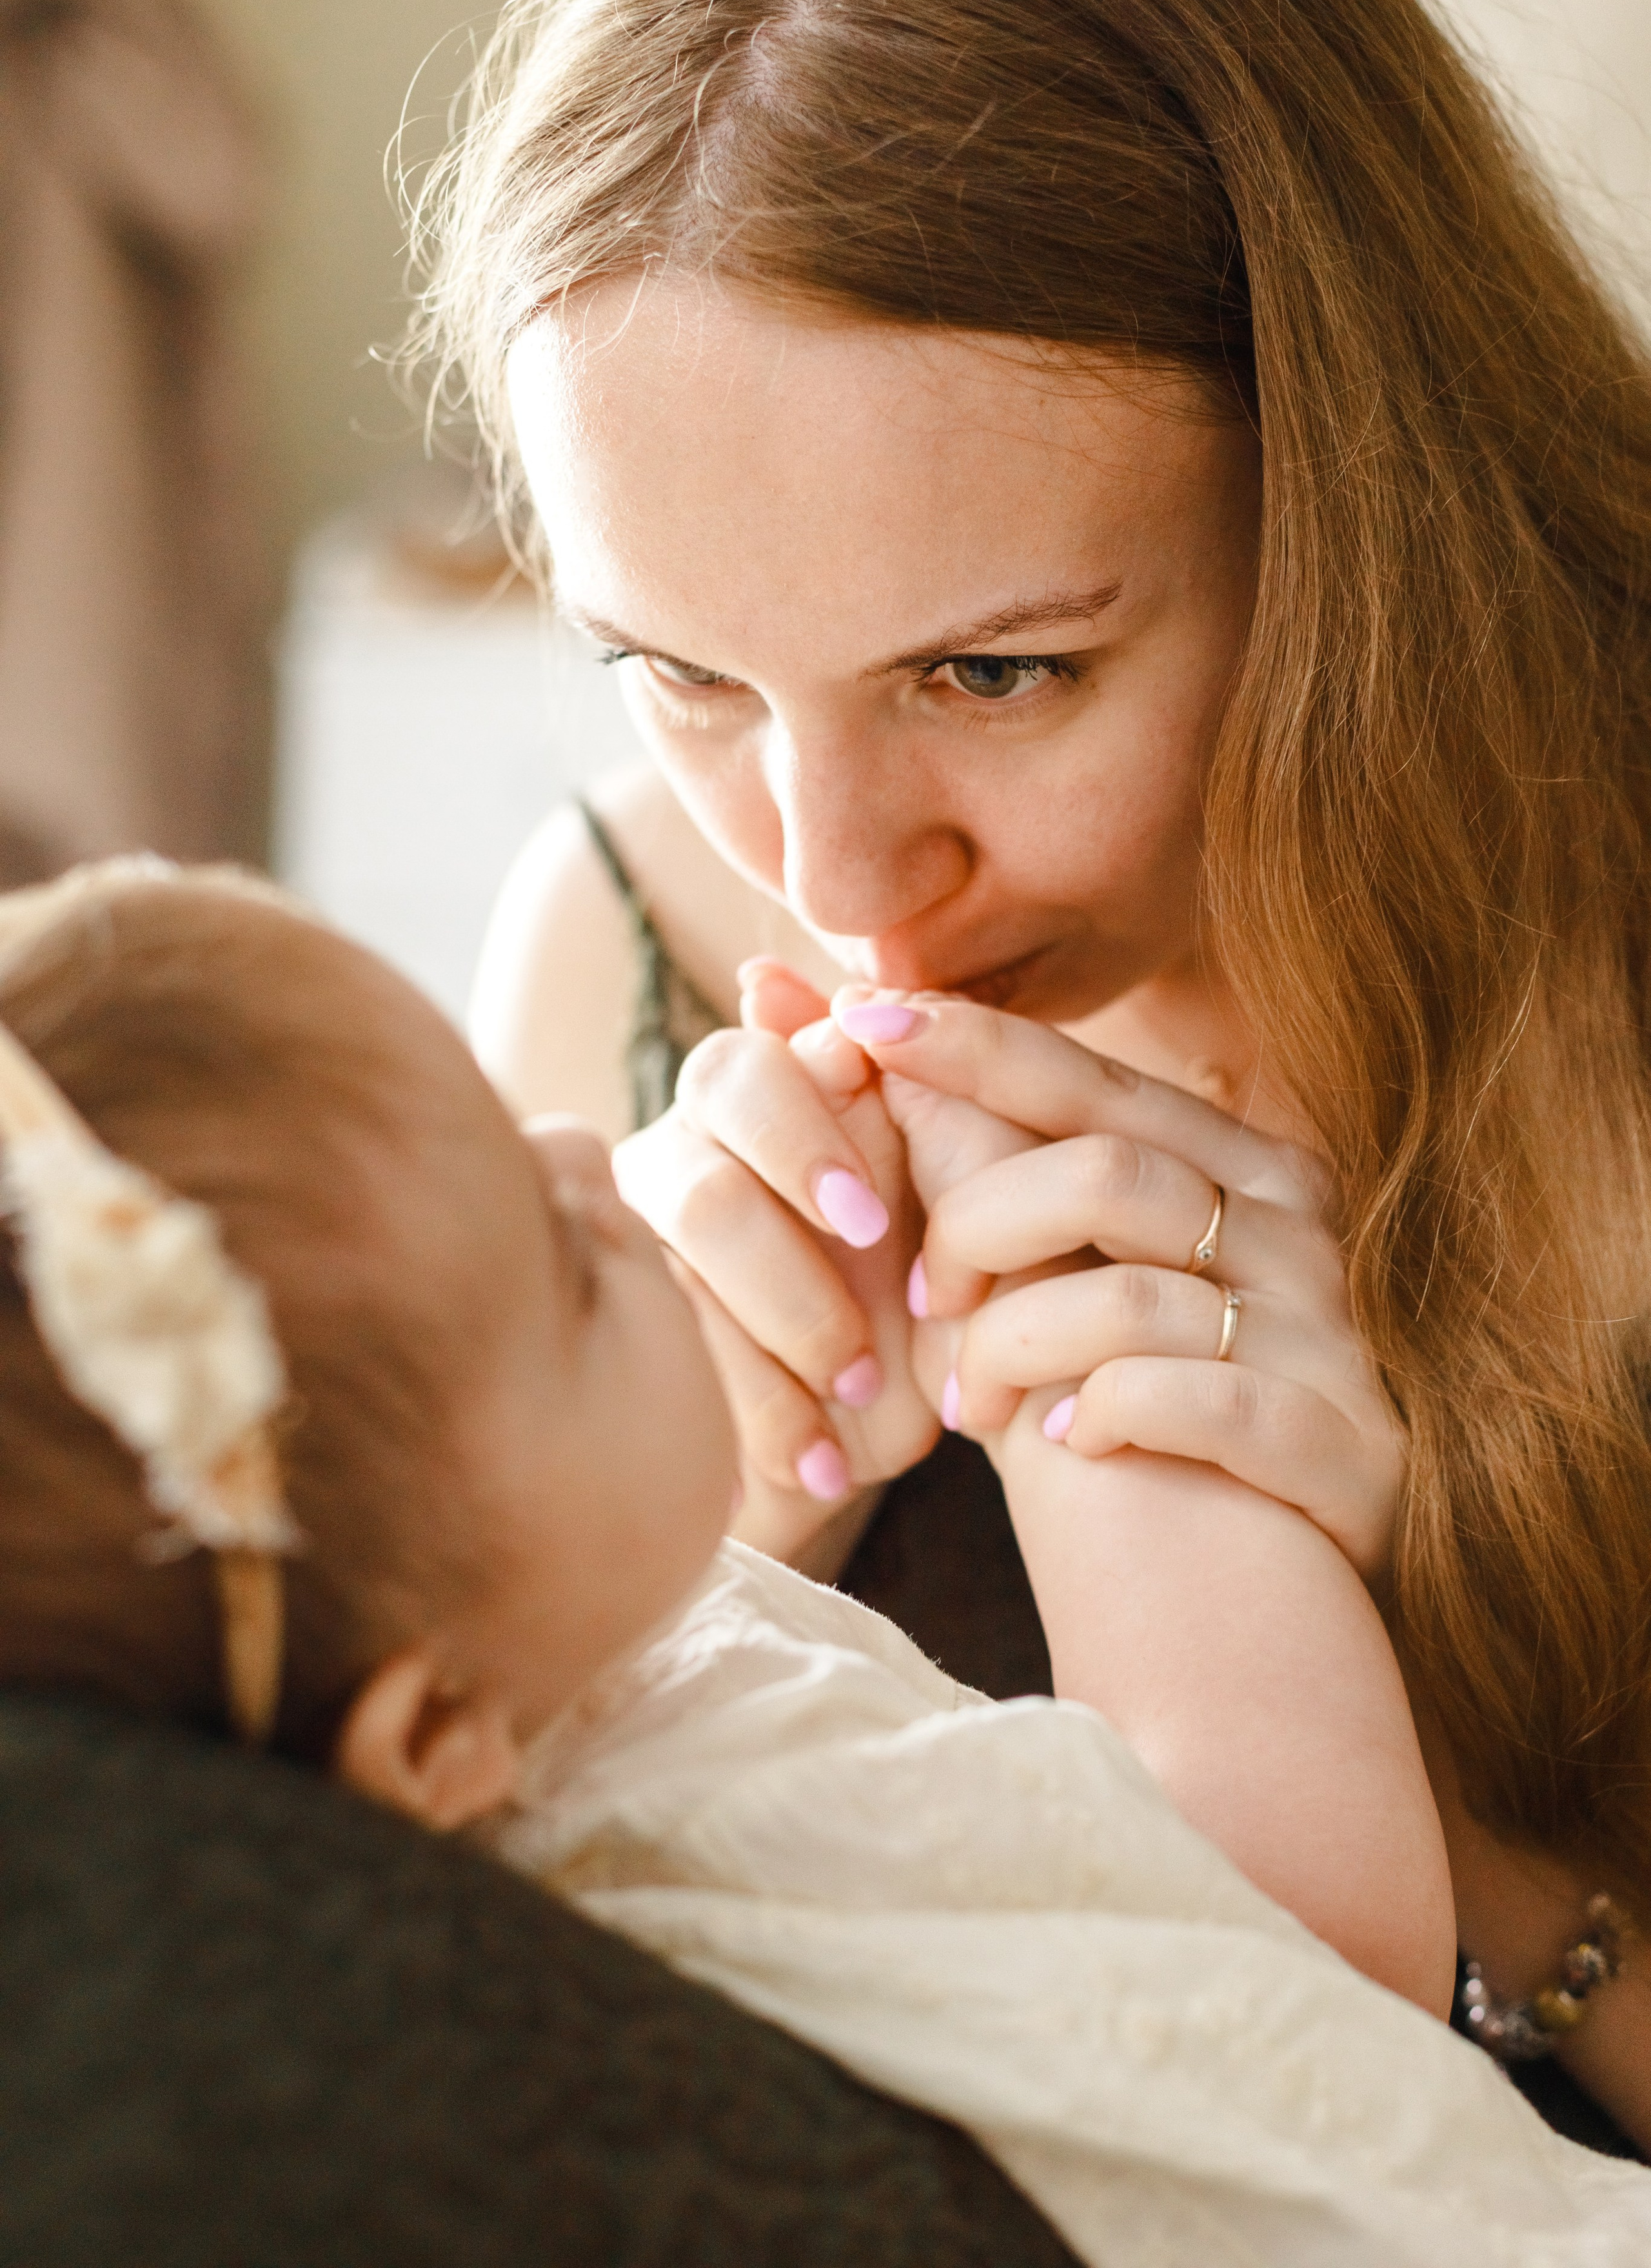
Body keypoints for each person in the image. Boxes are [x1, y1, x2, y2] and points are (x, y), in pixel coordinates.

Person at [417, 0, 1651, 2150]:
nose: (841, 885)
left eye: (995, 677)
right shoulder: (618, 950)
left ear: (1354, 519)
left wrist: (1481, 1817)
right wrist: (676, 1531)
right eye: (677, 675)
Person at [0, 857, 1644, 2267]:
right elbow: (1288, 1952)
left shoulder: (475, 1666)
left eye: (517, 1130)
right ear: (432, 1741)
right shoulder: (706, 1803)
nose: (587, 1151)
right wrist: (1067, 1374)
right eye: (566, 1266)